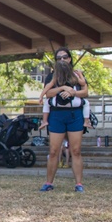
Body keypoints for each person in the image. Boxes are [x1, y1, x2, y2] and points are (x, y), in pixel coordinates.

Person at [39, 48, 88, 192]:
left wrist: (73, 92)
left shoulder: (77, 74)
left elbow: (85, 92)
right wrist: (62, 88)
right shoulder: (53, 76)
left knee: (76, 150)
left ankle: (79, 184)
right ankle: (49, 182)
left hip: (74, 115)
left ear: (70, 59)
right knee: (54, 150)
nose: (62, 60)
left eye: (64, 57)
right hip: (57, 115)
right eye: (58, 58)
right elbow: (48, 92)